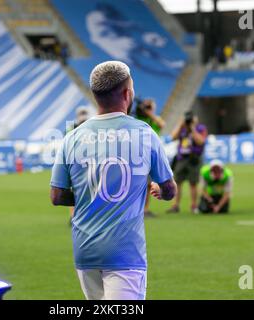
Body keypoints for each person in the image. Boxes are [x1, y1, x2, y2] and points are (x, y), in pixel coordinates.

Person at [50, 61, 176, 300]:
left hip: (85, 251)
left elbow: (57, 196)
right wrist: (161, 190)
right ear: (127, 93)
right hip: (124, 252)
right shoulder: (144, 132)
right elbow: (169, 190)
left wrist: (92, 194)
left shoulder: (72, 137)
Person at [167, 110, 207, 214]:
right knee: (178, 182)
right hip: (181, 158)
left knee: (193, 183)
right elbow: (173, 137)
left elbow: (201, 141)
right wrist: (181, 125)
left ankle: (194, 206)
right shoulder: (182, 128)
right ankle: (175, 205)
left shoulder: (200, 128)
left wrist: (192, 128)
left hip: (194, 158)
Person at [135, 98, 165, 218]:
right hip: (137, 155)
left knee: (148, 185)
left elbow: (161, 124)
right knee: (137, 185)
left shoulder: (153, 119)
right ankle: (137, 209)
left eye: (150, 107)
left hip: (150, 156)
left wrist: (149, 113)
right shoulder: (138, 119)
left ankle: (145, 210)